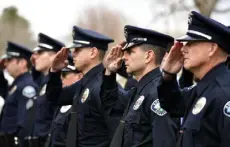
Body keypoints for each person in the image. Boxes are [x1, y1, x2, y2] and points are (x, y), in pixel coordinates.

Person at [158, 11, 230, 147]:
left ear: (212, 49)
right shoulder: (203, 88)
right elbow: (172, 106)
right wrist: (168, 75)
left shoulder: (225, 93)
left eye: (191, 43)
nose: (183, 49)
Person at [101, 25, 178, 147]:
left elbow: (165, 142)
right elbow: (111, 106)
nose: (124, 57)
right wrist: (110, 73)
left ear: (148, 56)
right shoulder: (140, 89)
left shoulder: (158, 92)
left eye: (130, 52)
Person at [46, 26, 114, 147]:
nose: (73, 54)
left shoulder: (105, 86)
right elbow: (54, 97)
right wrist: (55, 71)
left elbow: (114, 132)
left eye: (77, 50)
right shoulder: (85, 83)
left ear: (93, 52)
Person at [0, 41, 38, 147]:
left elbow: (25, 122)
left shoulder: (27, 86)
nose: (5, 63)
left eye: (9, 60)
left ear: (22, 63)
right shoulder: (18, 83)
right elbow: (3, 91)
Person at [31, 33, 65, 147]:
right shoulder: (43, 81)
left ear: (54, 56)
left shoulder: (58, 82)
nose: (35, 57)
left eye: (40, 53)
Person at [49, 56, 83, 147]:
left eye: (64, 75)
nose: (60, 78)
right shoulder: (62, 100)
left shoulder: (81, 102)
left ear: (79, 77)